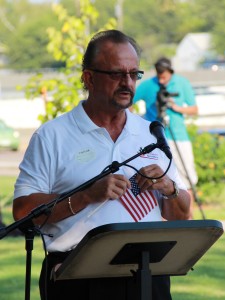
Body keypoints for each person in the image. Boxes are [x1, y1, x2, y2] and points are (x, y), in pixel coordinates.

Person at [13, 30, 190, 300]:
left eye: (134, 74)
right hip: (76, 278)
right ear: (89, 78)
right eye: (117, 74)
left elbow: (181, 216)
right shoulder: (52, 136)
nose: (127, 83)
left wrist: (168, 188)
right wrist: (86, 195)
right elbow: (22, 211)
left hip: (148, 275)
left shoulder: (152, 133)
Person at [133, 57, 198, 219]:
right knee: (157, 178)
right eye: (159, 76)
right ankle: (162, 220)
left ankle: (188, 218)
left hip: (178, 136)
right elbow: (128, 102)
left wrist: (175, 107)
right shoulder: (148, 85)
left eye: (165, 76)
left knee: (186, 179)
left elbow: (194, 109)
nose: (162, 79)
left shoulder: (182, 83)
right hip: (153, 139)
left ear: (171, 72)